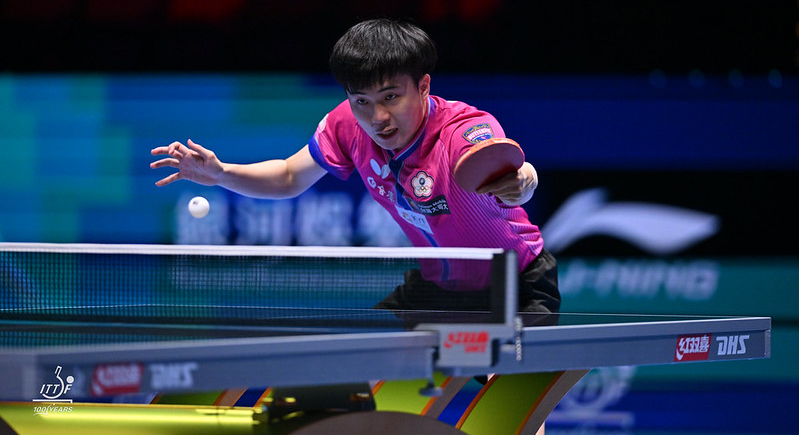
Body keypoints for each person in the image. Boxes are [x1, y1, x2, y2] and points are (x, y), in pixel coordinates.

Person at [150, 19, 559, 314]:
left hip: (515, 284)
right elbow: (290, 176)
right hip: (439, 287)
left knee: (509, 397)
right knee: (362, 366)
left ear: (423, 86)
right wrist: (222, 174)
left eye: (390, 97)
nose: (377, 117)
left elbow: (506, 169)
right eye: (361, 100)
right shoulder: (347, 125)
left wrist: (525, 180)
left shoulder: (460, 131)